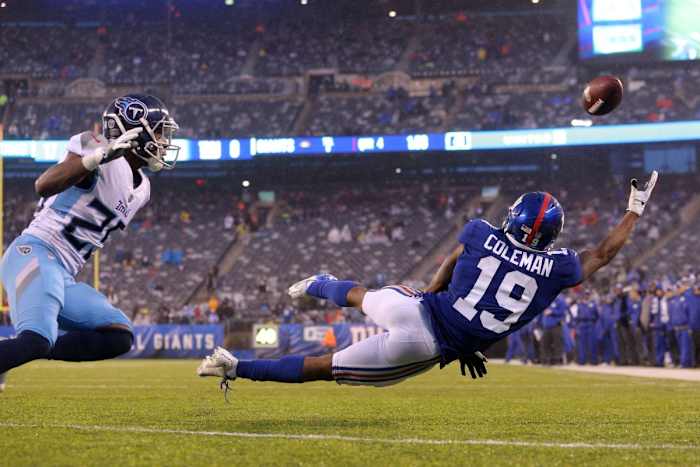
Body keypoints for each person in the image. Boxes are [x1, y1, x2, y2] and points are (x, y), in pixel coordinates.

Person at [197, 174, 658, 393]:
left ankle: (321, 284)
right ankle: (236, 367)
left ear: (511, 217)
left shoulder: (481, 231)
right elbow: (603, 253)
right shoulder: (557, 268)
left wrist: (432, 294)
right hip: (427, 345)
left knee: (364, 296)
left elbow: (455, 257)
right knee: (322, 366)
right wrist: (634, 208)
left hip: (417, 307)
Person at [0, 94, 179, 393]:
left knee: (118, 335)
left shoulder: (143, 188)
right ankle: (19, 349)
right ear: (136, 129)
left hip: (63, 274)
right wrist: (92, 160)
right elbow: (43, 185)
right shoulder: (94, 146)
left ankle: (9, 352)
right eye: (160, 132)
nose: (164, 141)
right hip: (35, 252)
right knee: (36, 339)